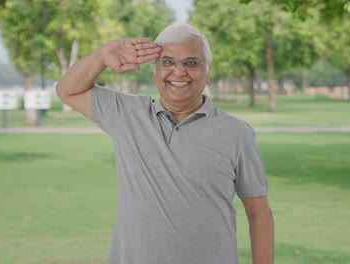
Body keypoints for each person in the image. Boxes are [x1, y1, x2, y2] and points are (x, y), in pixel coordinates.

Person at [56, 23, 274, 264]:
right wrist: (102, 54)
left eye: (191, 63)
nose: (178, 72)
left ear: (207, 72)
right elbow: (68, 90)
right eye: (168, 62)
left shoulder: (237, 133)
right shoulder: (127, 114)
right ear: (154, 71)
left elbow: (258, 213)